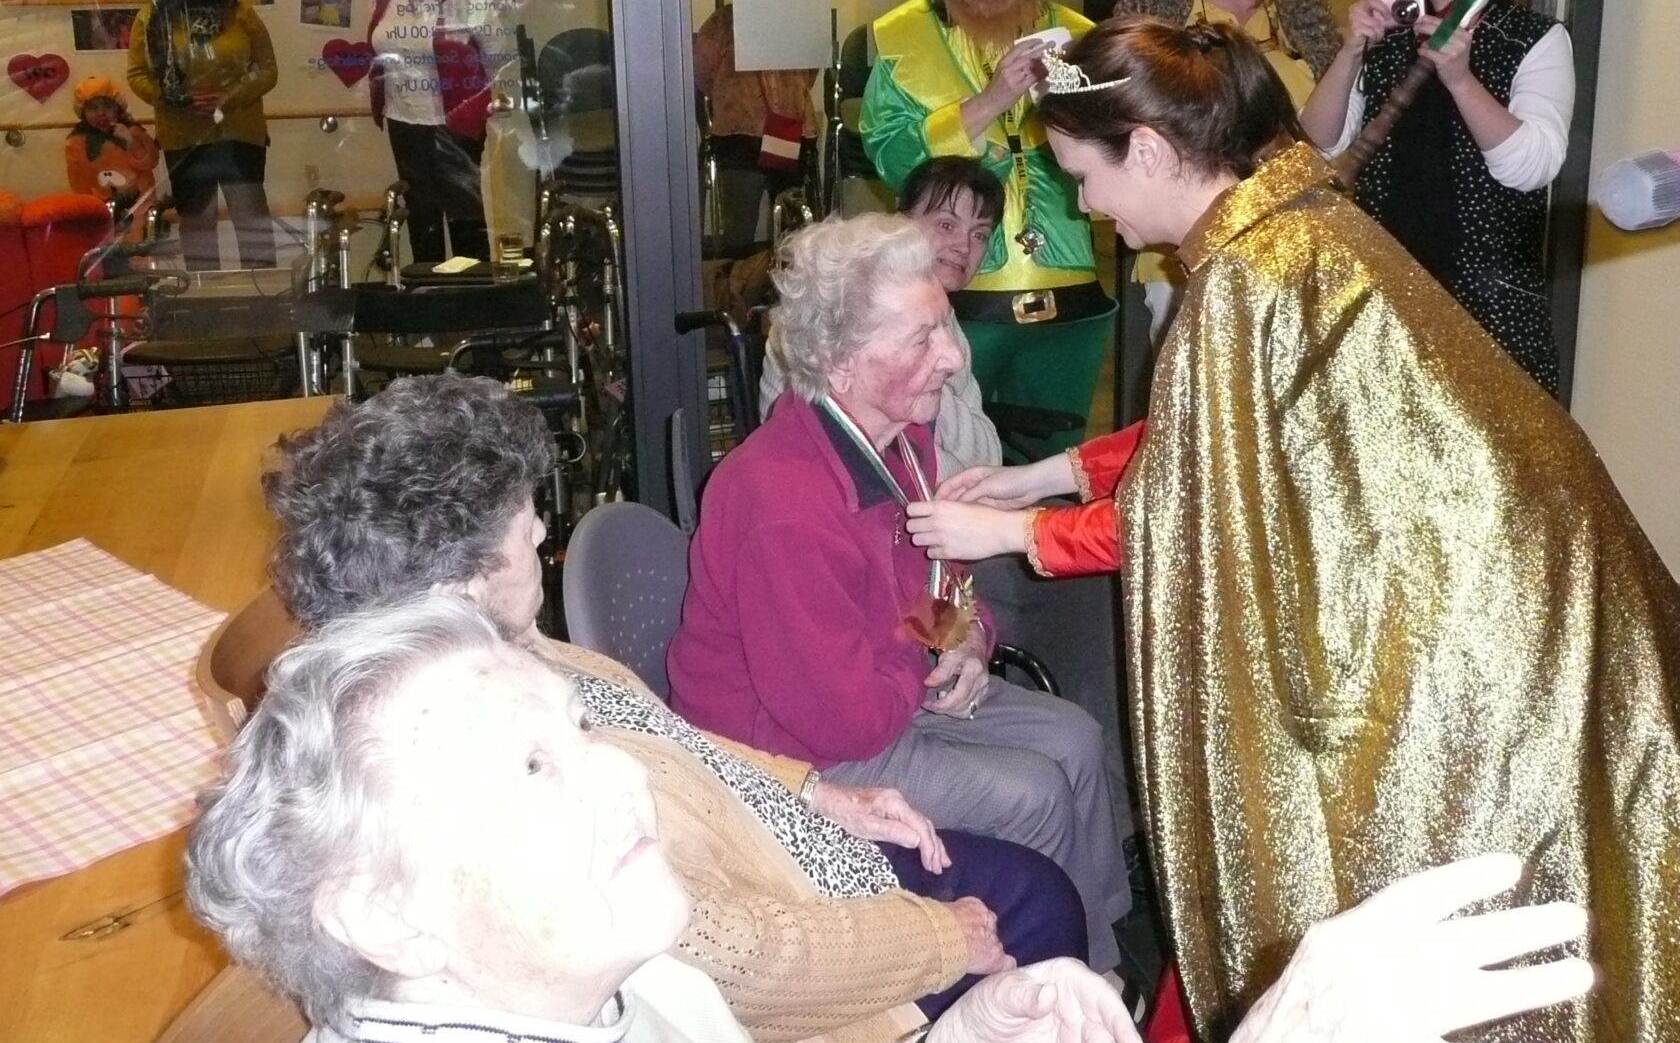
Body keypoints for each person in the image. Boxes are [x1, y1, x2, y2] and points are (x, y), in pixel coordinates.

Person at [905, 16, 1680, 1042]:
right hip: (1531, 586)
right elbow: (1217, 436)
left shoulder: (1245, 276)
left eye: (1081, 175)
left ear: (1147, 150)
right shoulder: (1290, 223)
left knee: (1454, 872)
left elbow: (1191, 508)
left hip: (1473, 629)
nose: (1085, 203)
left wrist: (1015, 535)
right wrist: (1049, 474)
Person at [186, 597, 1594, 1043]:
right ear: (383, 914)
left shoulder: (639, 990)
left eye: (580, 731)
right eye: (535, 771)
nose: (616, 773)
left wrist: (958, 1038)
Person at [264, 376, 1084, 1039]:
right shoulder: (791, 503)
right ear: (464, 574)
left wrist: (827, 782)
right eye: (526, 522)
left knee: (1057, 792)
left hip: (810, 800)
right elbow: (739, 945)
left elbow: (678, 738)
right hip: (821, 845)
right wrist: (940, 937)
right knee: (1039, 858)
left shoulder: (520, 653)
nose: (544, 530)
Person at [669, 215, 1132, 975]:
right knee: (1035, 792)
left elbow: (941, 591)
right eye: (922, 339)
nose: (952, 355)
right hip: (794, 751)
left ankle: (1098, 960)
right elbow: (844, 719)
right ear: (840, 363)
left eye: (945, 326)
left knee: (1076, 739)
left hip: (875, 692)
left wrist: (967, 644)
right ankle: (1046, 984)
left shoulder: (902, 442)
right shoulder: (782, 502)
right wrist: (928, 650)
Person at [859, 0, 1112, 461]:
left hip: (1072, 305)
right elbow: (893, 159)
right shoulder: (903, 37)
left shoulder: (1079, 39)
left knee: (1056, 468)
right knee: (947, 461)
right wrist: (993, 99)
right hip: (955, 300)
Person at [1299, 0, 1574, 391]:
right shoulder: (1388, 30)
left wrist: (1460, 78)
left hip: (1490, 315)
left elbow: (1532, 166)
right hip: (1379, 307)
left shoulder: (1534, 38)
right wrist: (1351, 50)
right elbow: (1319, 145)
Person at [1112, 0, 1342, 336]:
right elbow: (1123, 113)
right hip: (1186, 233)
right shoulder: (1153, 4)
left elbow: (1340, 104)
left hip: (1294, 226)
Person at [760, 155, 1004, 478]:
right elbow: (808, 454)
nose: (964, 246)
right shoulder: (828, 315)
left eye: (980, 234)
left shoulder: (948, 329)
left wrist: (927, 375)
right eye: (946, 225)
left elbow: (988, 457)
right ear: (901, 222)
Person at [125, 0, 279, 270]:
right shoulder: (150, 18)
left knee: (252, 221)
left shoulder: (238, 11)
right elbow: (137, 75)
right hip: (183, 136)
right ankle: (205, 300)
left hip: (239, 131)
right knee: (198, 228)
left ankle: (266, 300)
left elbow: (268, 69)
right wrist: (173, 98)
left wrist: (230, 97)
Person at [367, 0, 493, 264]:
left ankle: (470, 291)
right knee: (421, 221)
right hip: (402, 119)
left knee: (464, 221)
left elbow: (494, 55)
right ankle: (426, 290)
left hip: (453, 123)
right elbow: (378, 44)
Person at [694, 0, 822, 252]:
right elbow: (702, 72)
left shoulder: (794, 21)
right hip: (740, 139)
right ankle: (736, 278)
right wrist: (734, 99)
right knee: (739, 229)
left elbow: (808, 71)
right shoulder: (723, 22)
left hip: (788, 130)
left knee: (792, 227)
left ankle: (787, 279)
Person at [64, 76, 157, 212]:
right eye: (93, 108)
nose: (101, 113)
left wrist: (131, 143)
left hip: (140, 202)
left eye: (107, 107)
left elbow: (151, 162)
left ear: (118, 108)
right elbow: (78, 181)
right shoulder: (77, 142)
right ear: (83, 112)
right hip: (100, 205)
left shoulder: (133, 131)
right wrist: (87, 207)